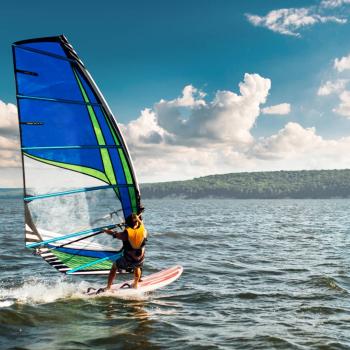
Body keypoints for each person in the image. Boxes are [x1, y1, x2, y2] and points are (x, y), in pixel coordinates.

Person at [103, 213, 147, 290]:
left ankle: (108, 287)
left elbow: (114, 234)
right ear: (137, 222)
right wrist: (138, 218)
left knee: (114, 266)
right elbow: (141, 223)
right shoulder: (143, 230)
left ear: (128, 223)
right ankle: (135, 284)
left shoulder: (126, 234)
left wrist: (106, 230)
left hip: (129, 259)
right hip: (140, 259)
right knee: (137, 267)